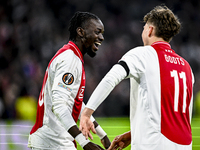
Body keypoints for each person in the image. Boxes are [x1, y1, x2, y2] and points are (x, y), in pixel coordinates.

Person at [79, 5, 194, 150]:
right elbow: (177, 115)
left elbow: (111, 78)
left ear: (150, 30)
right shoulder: (186, 66)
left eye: (144, 27)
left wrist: (86, 113)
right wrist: (135, 134)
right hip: (184, 145)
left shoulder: (143, 54)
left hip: (153, 144)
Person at [28, 11, 111, 150]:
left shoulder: (71, 56)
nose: (101, 37)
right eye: (97, 32)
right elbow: (60, 105)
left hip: (53, 141)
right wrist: (85, 143)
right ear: (81, 32)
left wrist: (102, 135)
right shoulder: (70, 60)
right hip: (53, 142)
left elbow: (72, 102)